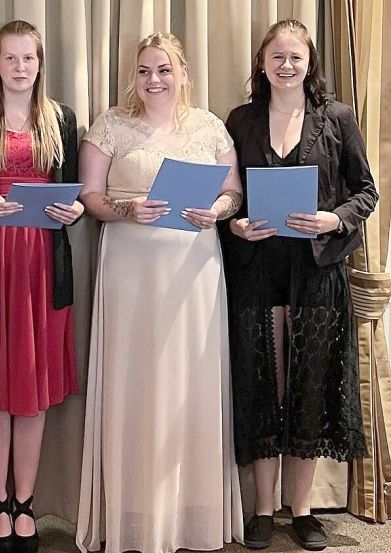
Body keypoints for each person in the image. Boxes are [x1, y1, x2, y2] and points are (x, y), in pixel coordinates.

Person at [75, 32, 245, 553]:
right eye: (146, 70)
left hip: (193, 269)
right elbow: (90, 196)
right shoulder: (110, 125)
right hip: (131, 268)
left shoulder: (210, 126)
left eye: (164, 70)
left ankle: (192, 514)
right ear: (135, 75)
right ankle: (134, 516)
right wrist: (128, 208)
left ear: (183, 73)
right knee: (136, 381)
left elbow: (233, 193)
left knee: (190, 384)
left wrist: (216, 211)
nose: (154, 79)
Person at [221, 19, 376, 551]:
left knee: (309, 386)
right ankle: (263, 510)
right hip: (257, 269)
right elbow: (228, 195)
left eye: (295, 57)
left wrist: (333, 220)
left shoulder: (336, 118)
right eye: (276, 57)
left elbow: (366, 192)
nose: (286, 65)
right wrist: (234, 223)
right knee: (265, 386)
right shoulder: (239, 120)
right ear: (261, 64)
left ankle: (303, 510)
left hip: (316, 272)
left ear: (309, 63)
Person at [0, 20, 81, 553]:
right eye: (10, 58)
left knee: (33, 393)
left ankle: (25, 501)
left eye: (29, 58)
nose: (20, 67)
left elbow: (74, 195)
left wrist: (69, 210)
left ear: (39, 64)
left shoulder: (62, 119)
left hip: (43, 268)